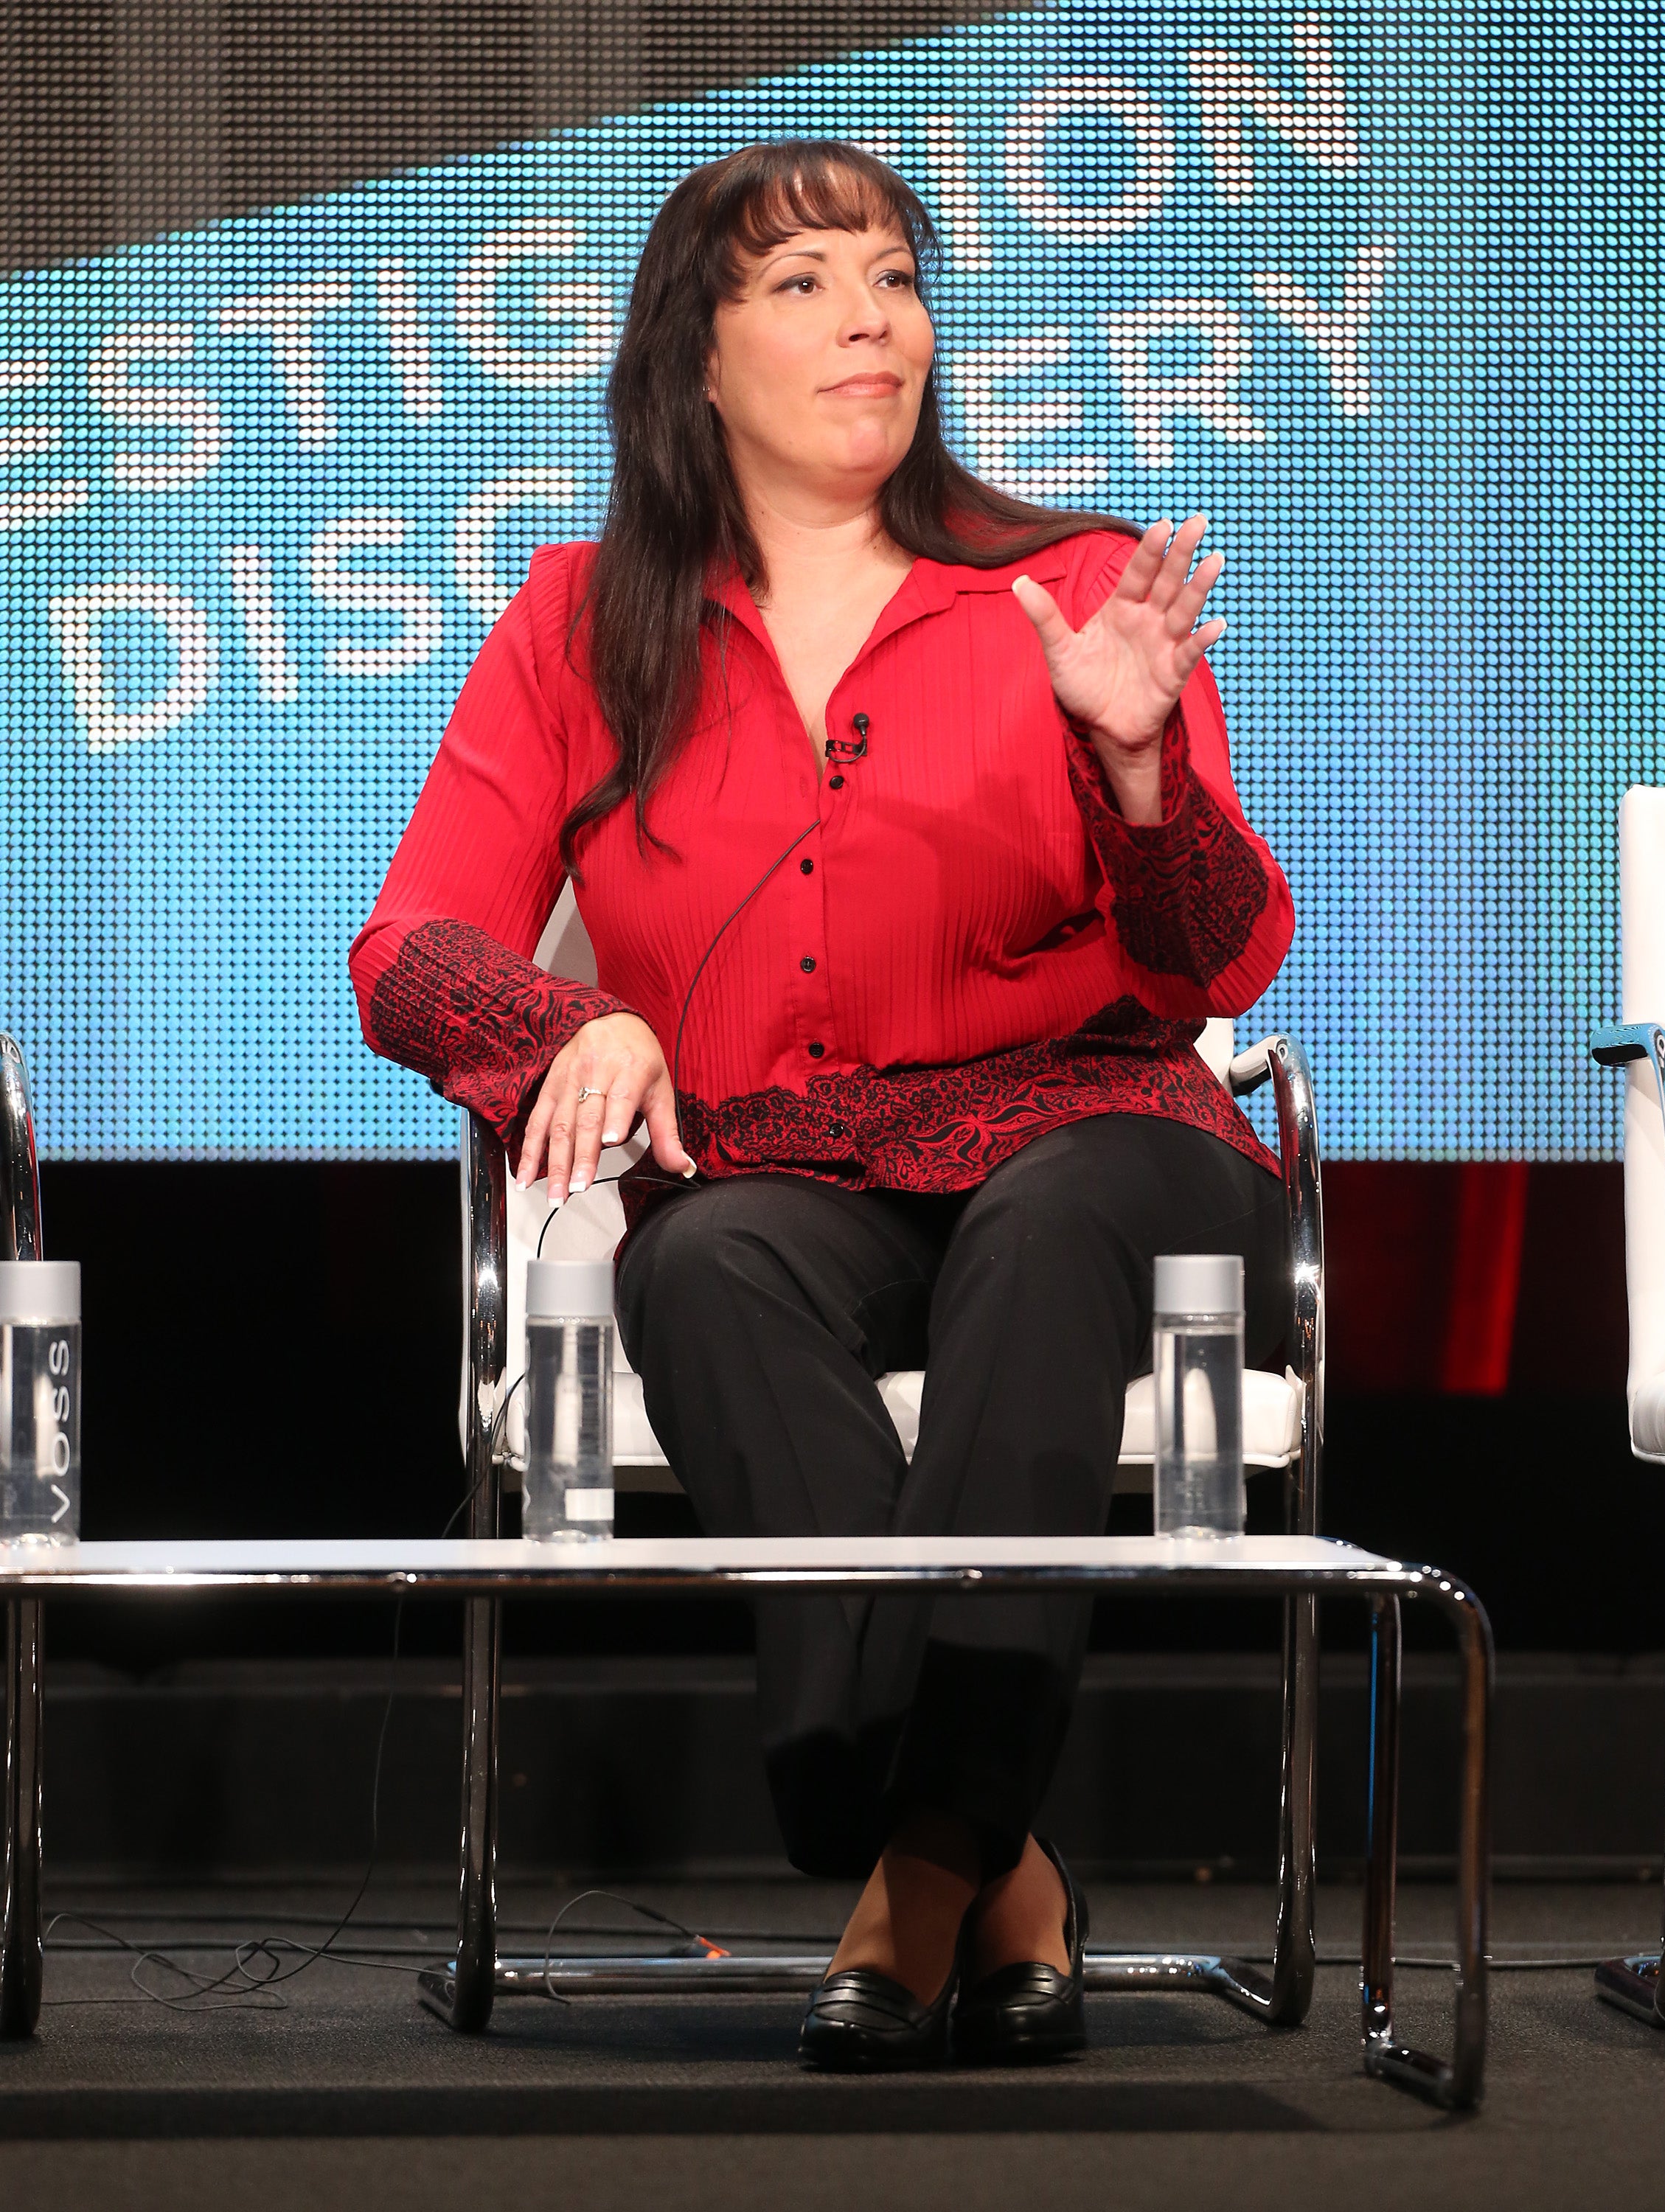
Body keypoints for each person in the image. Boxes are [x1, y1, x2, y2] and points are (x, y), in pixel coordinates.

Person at [349, 139, 1293, 2071]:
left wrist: (1137, 770)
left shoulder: (1072, 588)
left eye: (891, 274)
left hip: (1104, 1137)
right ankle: (987, 1872)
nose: (866, 313)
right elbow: (405, 945)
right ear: (692, 358)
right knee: (699, 1269)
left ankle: (899, 1873)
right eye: (799, 283)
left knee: (1033, 1235)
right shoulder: (576, 622)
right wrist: (561, 1026)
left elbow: (1208, 964)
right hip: (792, 1163)